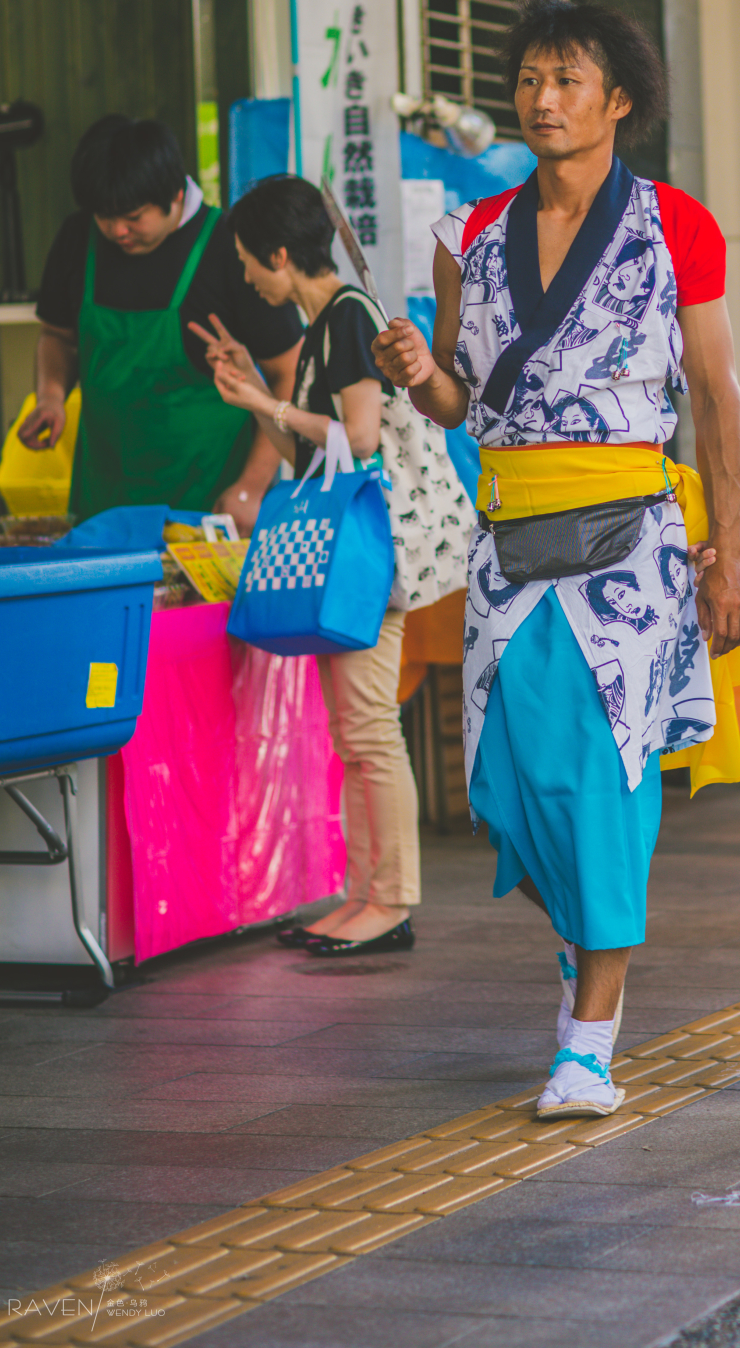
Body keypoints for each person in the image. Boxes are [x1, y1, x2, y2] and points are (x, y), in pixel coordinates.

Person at [373, 0, 740, 1119]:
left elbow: (720, 407)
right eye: (532, 78)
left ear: (618, 100)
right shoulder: (472, 235)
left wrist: (727, 553)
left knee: (601, 776)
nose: (544, 97)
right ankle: (587, 947)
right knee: (511, 780)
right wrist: (413, 371)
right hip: (510, 543)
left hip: (632, 542)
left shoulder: (675, 223)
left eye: (569, 79)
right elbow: (455, 391)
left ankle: (589, 1036)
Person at [197, 174, 422, 955]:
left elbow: (357, 439)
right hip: (350, 554)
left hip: (365, 553)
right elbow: (312, 447)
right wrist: (257, 387)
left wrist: (265, 404)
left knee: (367, 731)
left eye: (249, 263)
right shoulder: (328, 323)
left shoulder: (348, 316)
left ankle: (388, 901)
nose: (249, 278)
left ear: (282, 254)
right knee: (355, 733)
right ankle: (366, 894)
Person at [18, 115, 301, 526]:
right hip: (105, 497)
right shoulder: (78, 237)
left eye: (132, 216)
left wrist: (251, 486)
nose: (117, 230)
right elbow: (56, 335)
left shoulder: (229, 244)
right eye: (104, 215)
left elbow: (287, 372)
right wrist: (50, 396)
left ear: (173, 193)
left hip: (211, 499)